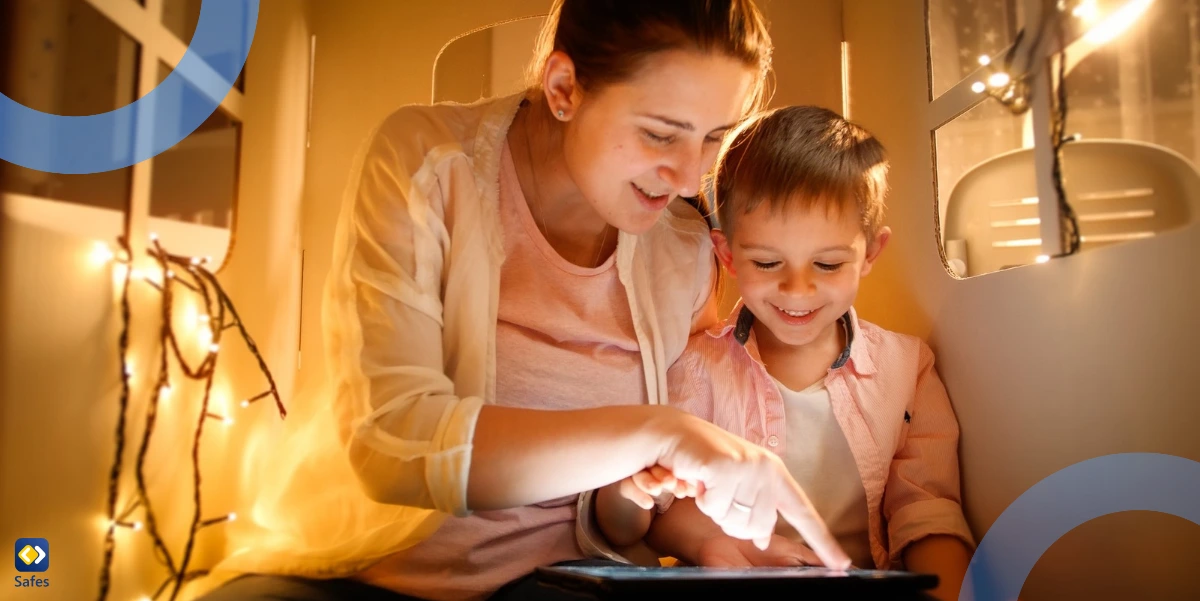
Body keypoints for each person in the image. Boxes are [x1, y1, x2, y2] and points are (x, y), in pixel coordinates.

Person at [191, 4, 850, 601]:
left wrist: (712, 534)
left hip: (569, 574)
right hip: (362, 564)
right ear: (564, 89)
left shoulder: (684, 249)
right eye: (660, 133)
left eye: (713, 138)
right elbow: (394, 443)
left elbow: (659, 481)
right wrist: (659, 431)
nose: (688, 174)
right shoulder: (429, 162)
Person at [593, 106, 976, 601]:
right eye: (768, 262)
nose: (798, 289)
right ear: (727, 255)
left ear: (870, 255)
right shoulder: (693, 370)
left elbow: (926, 512)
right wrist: (698, 533)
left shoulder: (907, 367)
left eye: (828, 263)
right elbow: (658, 511)